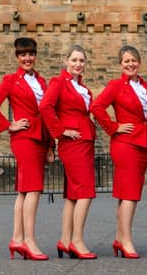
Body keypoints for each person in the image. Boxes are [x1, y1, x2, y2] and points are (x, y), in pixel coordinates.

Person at [0, 37, 54, 261]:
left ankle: (17, 239)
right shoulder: (11, 81)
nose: (27, 58)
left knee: (24, 190)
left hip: (41, 138)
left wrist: (51, 144)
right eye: (23, 54)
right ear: (17, 57)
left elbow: (48, 113)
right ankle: (30, 241)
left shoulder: (42, 82)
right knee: (33, 188)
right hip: (24, 138)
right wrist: (8, 125)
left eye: (31, 54)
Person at [90, 45, 147, 259]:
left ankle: (120, 238)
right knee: (129, 193)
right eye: (126, 61)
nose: (130, 64)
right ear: (120, 64)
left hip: (142, 143)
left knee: (127, 194)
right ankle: (126, 240)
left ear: (139, 62)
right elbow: (97, 107)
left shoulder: (146, 87)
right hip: (125, 144)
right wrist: (114, 126)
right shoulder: (116, 85)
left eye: (133, 60)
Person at [39, 44, 97, 259]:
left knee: (74, 195)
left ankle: (65, 240)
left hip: (85, 140)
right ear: (66, 61)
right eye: (74, 60)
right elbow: (45, 106)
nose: (78, 64)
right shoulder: (58, 82)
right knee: (85, 191)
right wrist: (60, 131)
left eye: (81, 61)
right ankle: (77, 241)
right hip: (73, 142)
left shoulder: (82, 87)